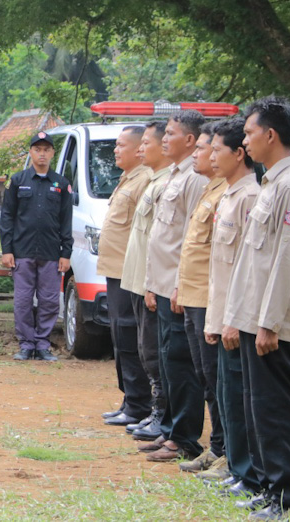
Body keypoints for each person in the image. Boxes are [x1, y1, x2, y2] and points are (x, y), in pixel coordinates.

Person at [222, 97, 290, 521]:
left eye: (249, 132)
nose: (245, 140)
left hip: (273, 325)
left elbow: (287, 261)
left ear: (271, 135)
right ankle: (271, 489)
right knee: (259, 408)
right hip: (255, 318)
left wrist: (268, 323)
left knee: (277, 412)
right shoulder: (273, 184)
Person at [143, 109, 208, 464]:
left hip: (178, 288)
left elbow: (191, 241)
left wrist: (182, 285)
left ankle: (184, 437)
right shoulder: (175, 175)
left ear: (189, 140)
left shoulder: (195, 180)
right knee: (168, 359)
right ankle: (170, 429)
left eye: (170, 133)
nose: (164, 139)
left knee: (181, 362)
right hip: (164, 284)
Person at [203, 117, 261, 491]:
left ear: (239, 154)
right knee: (226, 393)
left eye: (216, 149)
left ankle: (244, 469)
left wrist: (234, 319)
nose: (210, 156)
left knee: (240, 398)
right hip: (221, 313)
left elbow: (248, 269)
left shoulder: (250, 198)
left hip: (237, 318)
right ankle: (236, 466)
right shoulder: (228, 194)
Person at [172, 123, 227, 473]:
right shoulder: (210, 189)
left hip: (210, 300)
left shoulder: (229, 194)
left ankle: (227, 452)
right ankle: (217, 446)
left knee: (217, 379)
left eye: (205, 148)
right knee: (206, 378)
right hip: (193, 297)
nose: (198, 154)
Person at [96, 125, 153, 426]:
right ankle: (130, 399)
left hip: (129, 274)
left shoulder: (144, 180)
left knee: (131, 338)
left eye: (121, 145)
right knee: (120, 337)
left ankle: (140, 403)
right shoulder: (128, 179)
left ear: (137, 148)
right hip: (116, 271)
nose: (116, 150)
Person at [0, 132, 73, 362]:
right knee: (22, 301)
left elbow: (66, 221)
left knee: (50, 300)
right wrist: (7, 250)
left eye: (46, 150)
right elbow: (7, 217)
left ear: (52, 153)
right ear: (31, 152)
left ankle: (42, 344)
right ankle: (26, 344)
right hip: (22, 252)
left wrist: (66, 253)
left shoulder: (61, 184)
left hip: (51, 254)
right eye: (37, 149)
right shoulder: (18, 181)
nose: (42, 154)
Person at [120, 121, 172, 444]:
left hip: (152, 284)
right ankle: (156, 412)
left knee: (155, 353)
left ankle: (160, 414)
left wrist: (152, 282)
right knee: (145, 349)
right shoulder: (154, 182)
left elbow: (163, 242)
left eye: (147, 143)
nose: (142, 149)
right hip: (140, 281)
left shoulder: (167, 184)